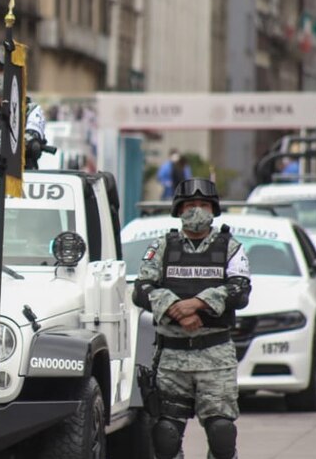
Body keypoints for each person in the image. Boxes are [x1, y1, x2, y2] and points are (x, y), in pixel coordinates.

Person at [132, 178, 251, 459]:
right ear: (178, 209)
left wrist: (196, 304)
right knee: (166, 435)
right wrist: (177, 310)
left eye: (203, 204)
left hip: (215, 356)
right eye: (190, 204)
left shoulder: (230, 247)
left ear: (213, 209)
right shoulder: (162, 246)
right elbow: (141, 289)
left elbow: (240, 290)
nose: (197, 209)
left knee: (222, 433)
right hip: (171, 358)